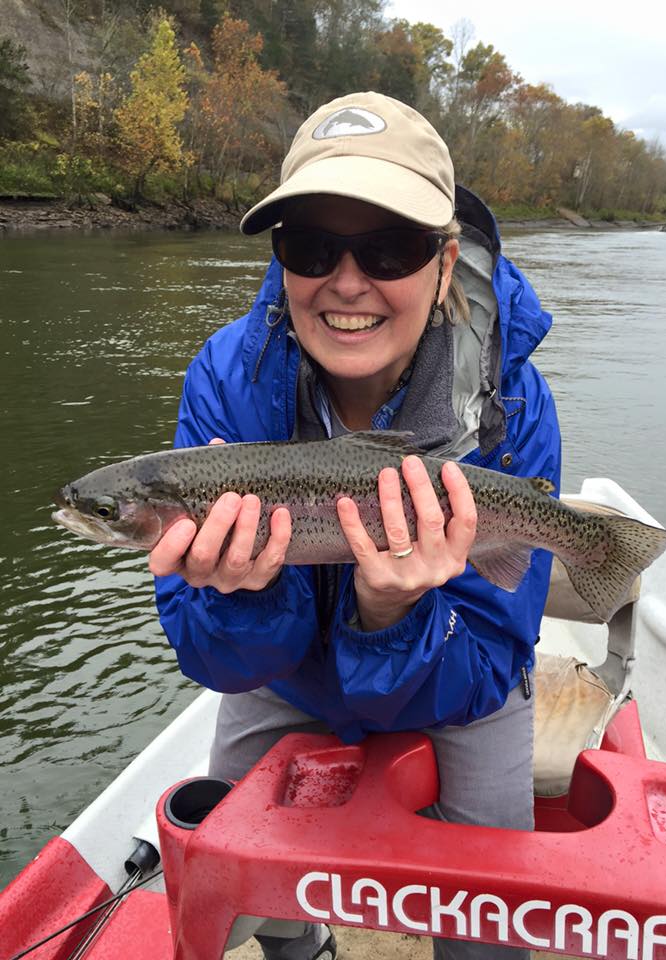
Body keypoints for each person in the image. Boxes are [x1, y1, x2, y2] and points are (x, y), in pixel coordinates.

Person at [152, 92, 561, 960]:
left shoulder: (511, 402)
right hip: (287, 676)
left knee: (498, 904)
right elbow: (213, 659)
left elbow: (490, 660)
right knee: (229, 869)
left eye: (388, 247)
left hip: (463, 664)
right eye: (310, 245)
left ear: (445, 264)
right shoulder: (225, 381)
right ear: (281, 259)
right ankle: (302, 948)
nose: (346, 281)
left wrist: (394, 614)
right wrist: (241, 596)